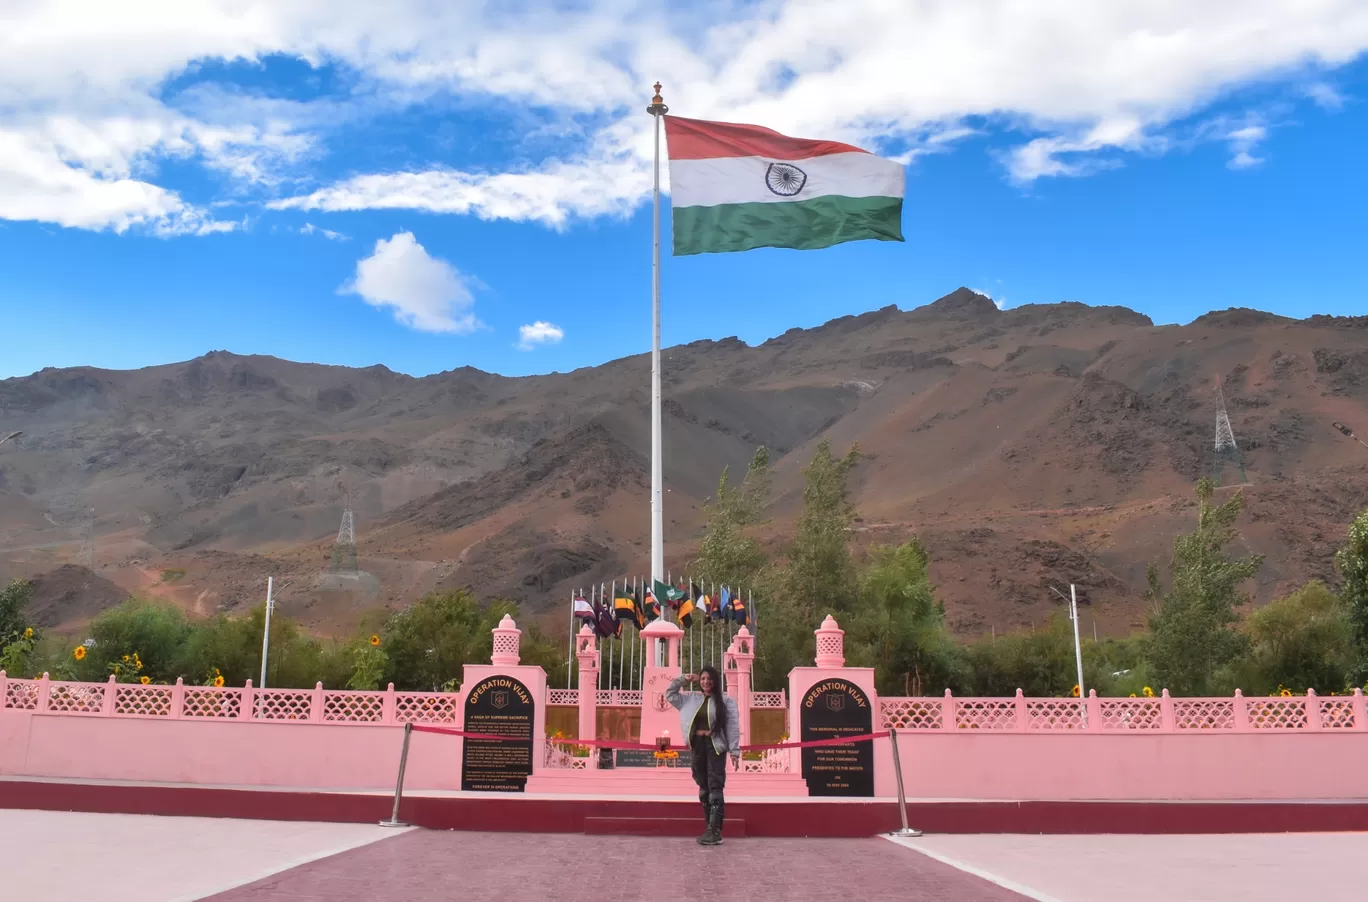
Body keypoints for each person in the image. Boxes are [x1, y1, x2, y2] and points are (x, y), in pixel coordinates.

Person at [666, 664, 740, 845]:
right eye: (703, 678)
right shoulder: (690, 699)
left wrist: (735, 750)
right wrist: (685, 678)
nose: (706, 682)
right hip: (697, 747)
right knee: (703, 789)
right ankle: (708, 827)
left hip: (715, 747)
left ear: (715, 681)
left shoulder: (725, 701)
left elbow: (732, 727)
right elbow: (670, 694)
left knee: (715, 788)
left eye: (709, 678)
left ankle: (715, 831)